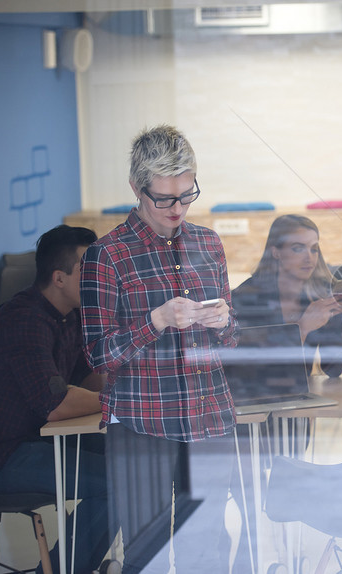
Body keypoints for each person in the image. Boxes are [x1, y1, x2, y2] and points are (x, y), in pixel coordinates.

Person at [80, 125, 239, 569]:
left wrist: (226, 322)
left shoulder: (208, 243)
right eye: (164, 198)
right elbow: (98, 355)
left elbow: (233, 338)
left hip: (209, 417)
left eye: (186, 195)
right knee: (147, 551)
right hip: (141, 423)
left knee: (208, 544)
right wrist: (155, 322)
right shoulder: (106, 255)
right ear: (136, 188)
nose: (177, 208)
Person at [0, 225, 108, 574]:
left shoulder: (71, 315)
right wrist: (117, 398)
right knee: (116, 483)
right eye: (88, 268)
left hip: (37, 442)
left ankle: (74, 563)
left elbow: (88, 379)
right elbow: (57, 406)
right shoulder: (24, 320)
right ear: (59, 278)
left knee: (128, 457)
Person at [232, 214, 342, 378]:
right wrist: (302, 328)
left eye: (314, 249)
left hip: (302, 395)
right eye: (298, 248)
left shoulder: (319, 294)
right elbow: (252, 370)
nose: (309, 257)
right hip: (256, 397)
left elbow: (331, 369)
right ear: (276, 252)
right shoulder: (247, 297)